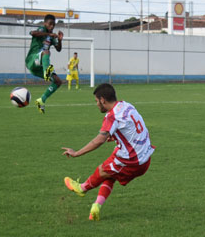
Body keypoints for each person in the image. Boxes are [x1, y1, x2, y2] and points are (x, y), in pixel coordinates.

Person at [62, 83, 155, 221]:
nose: (97, 104)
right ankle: (96, 207)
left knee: (101, 170)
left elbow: (99, 140)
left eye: (97, 101)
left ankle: (82, 188)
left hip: (132, 161)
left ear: (103, 100)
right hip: (146, 157)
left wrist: (77, 153)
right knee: (111, 175)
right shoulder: (127, 106)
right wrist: (116, 136)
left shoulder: (112, 116)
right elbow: (132, 127)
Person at [25, 14, 63, 114]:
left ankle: (41, 100)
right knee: (46, 52)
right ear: (45, 23)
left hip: (39, 66)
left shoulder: (52, 37)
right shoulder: (42, 30)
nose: (52, 27)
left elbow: (58, 49)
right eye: (50, 24)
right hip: (32, 60)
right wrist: (48, 34)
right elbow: (33, 33)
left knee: (58, 81)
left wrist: (59, 40)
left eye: (53, 25)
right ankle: (47, 71)